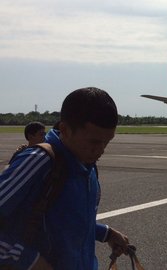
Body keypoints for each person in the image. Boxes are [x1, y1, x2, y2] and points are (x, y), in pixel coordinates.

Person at [0, 87, 130, 270]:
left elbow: (66, 221)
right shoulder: (39, 161)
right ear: (65, 129)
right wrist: (29, 260)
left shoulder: (87, 166)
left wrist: (106, 233)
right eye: (94, 141)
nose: (101, 150)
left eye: (107, 141)